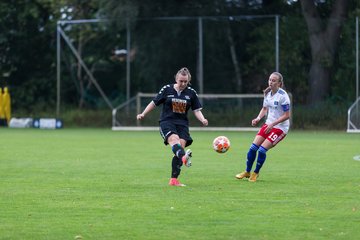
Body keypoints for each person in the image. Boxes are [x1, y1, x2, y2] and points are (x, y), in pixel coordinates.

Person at [136, 67, 208, 187]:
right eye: (181, 81)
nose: (183, 83)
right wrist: (143, 113)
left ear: (188, 80)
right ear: (176, 79)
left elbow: (196, 110)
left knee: (179, 150)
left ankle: (174, 180)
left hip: (182, 125)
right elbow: (154, 102)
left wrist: (203, 119)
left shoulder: (191, 93)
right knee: (175, 141)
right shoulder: (167, 89)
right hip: (167, 122)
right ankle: (184, 157)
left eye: (186, 81)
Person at [235, 72, 291, 182]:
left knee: (261, 151)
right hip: (268, 124)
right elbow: (264, 109)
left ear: (279, 83)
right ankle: (247, 172)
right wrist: (258, 118)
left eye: (274, 80)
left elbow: (287, 115)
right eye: (270, 80)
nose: (271, 82)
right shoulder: (267, 93)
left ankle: (255, 173)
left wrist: (272, 124)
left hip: (280, 128)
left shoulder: (283, 96)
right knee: (252, 149)